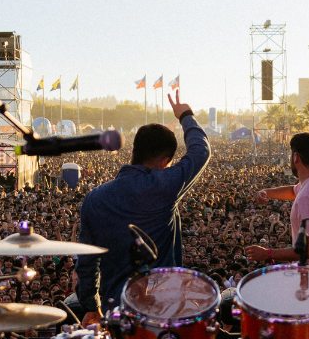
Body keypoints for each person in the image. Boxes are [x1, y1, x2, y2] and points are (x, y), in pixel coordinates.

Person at [75, 92, 209, 325]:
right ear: (164, 162)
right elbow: (200, 151)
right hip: (163, 308)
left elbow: (87, 262)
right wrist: (186, 116)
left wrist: (91, 305)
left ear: (134, 149)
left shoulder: (95, 198)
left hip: (116, 310)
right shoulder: (163, 186)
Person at [246, 132, 309, 274]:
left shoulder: (307, 196)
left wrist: (267, 253)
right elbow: (294, 191)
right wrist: (266, 192)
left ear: (296, 157)